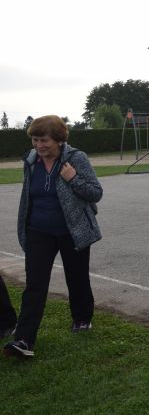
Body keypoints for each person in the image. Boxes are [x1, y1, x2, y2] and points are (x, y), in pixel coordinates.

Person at [4, 115, 103, 358]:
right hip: (38, 230)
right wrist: (24, 225)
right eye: (35, 140)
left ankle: (81, 318)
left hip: (73, 230)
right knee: (35, 284)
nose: (39, 145)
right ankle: (24, 340)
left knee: (76, 277)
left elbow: (95, 193)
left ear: (58, 139)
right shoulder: (30, 161)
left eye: (43, 140)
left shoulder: (76, 158)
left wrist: (73, 179)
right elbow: (29, 196)